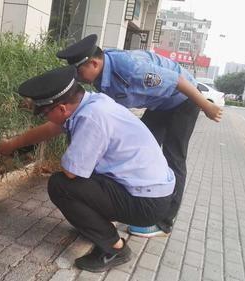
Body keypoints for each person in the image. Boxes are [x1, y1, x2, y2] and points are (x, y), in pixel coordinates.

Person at [0, 65, 176, 272]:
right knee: (85, 177)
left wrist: (69, 155)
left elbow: (72, 171)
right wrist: (11, 145)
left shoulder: (91, 118)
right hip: (152, 192)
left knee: (61, 185)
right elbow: (52, 128)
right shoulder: (92, 102)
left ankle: (114, 249)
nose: (45, 118)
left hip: (146, 203)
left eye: (45, 113)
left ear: (61, 109)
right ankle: (96, 225)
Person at [55, 34, 223, 237]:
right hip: (159, 104)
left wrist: (206, 106)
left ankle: (164, 222)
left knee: (174, 156)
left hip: (183, 101)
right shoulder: (99, 76)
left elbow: (178, 81)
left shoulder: (131, 68)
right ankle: (120, 204)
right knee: (141, 148)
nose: (77, 77)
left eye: (78, 71)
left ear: (93, 63)